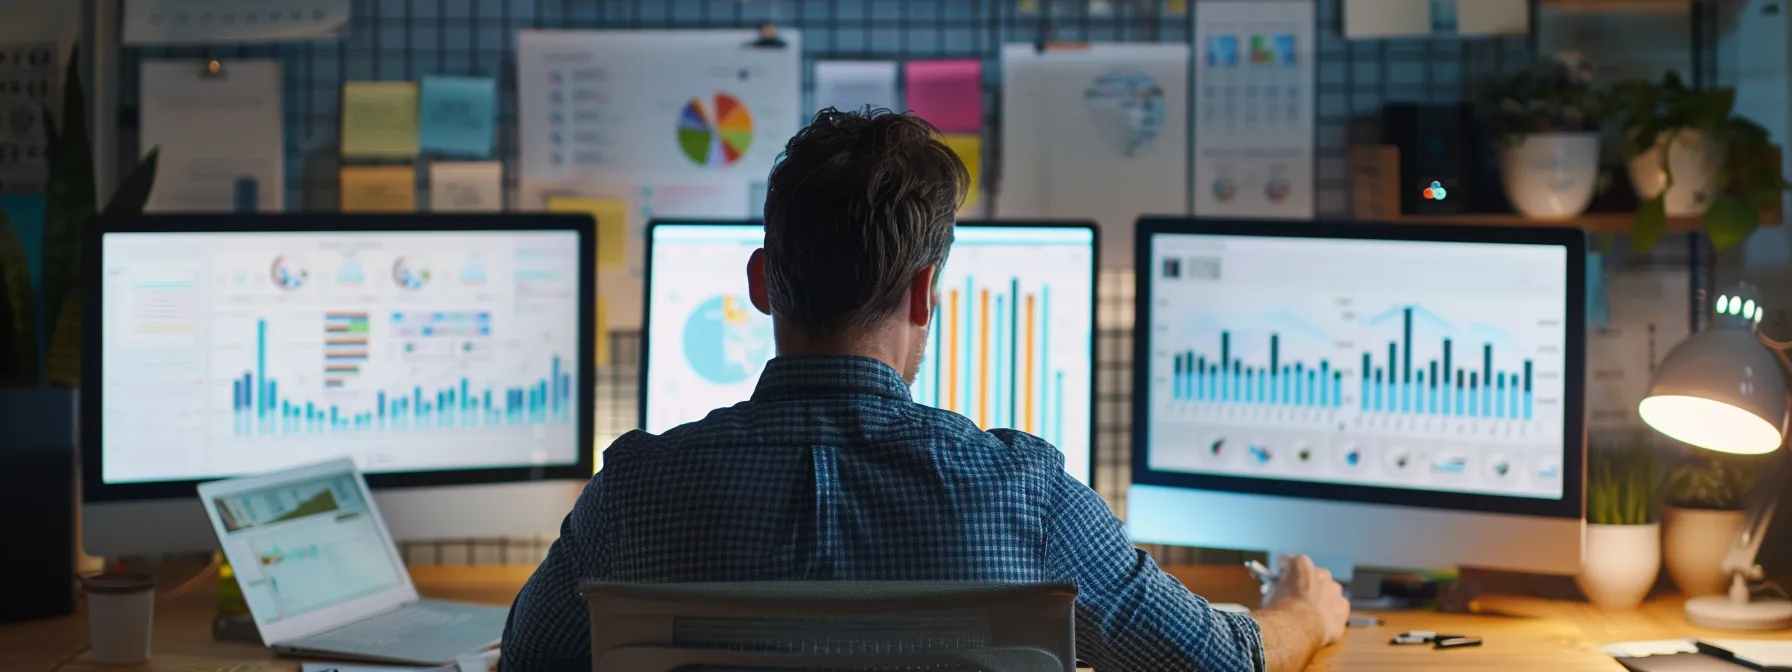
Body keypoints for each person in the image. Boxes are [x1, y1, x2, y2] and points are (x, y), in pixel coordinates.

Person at [500, 108, 1350, 672]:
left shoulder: (634, 493)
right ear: (923, 293)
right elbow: (1214, 662)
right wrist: (1301, 611)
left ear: (762, 282)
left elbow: (526, 661)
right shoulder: (1027, 494)